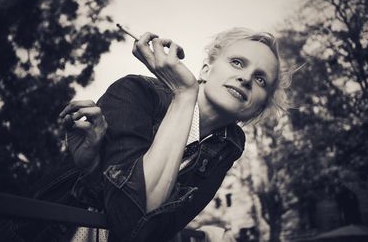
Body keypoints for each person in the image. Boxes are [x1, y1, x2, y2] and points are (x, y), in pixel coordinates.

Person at [59, 27, 290, 242]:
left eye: (261, 79)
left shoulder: (229, 146)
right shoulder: (135, 92)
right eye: (237, 63)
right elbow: (128, 218)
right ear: (206, 71)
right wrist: (183, 94)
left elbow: (156, 231)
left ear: (260, 107)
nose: (246, 78)